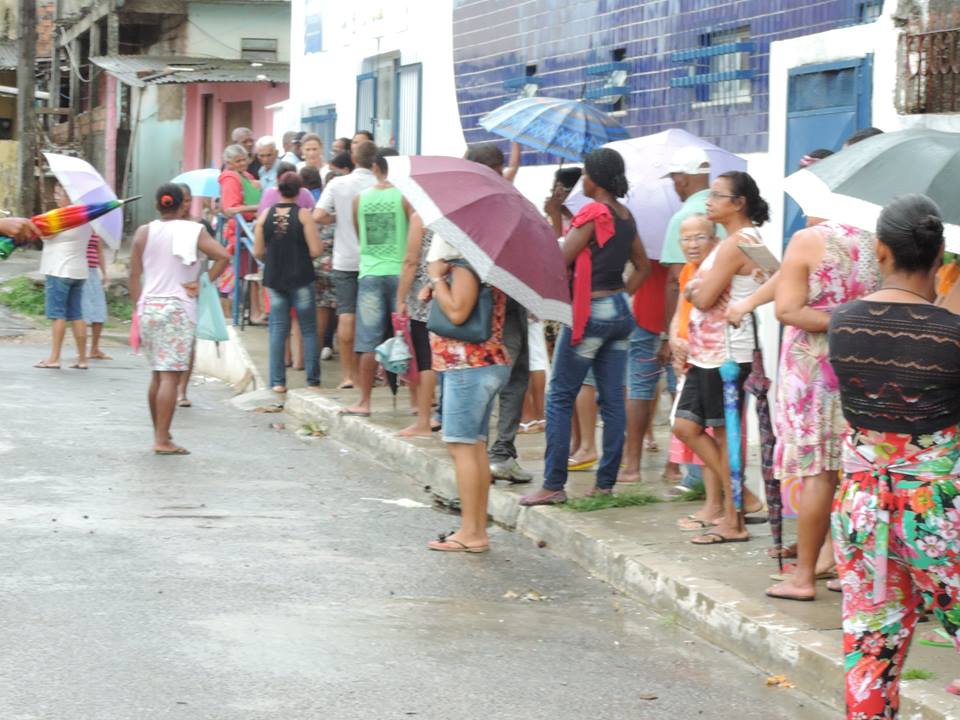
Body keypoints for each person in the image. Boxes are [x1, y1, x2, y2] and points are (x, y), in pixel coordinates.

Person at [828, 194, 960, 715]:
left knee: (870, 648)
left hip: (861, 506)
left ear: (879, 250)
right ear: (940, 255)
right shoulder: (952, 335)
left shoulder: (842, 322)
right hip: (937, 508)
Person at [752, 217, 878, 601]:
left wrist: (839, 321)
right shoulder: (880, 240)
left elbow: (788, 310)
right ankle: (849, 566)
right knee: (856, 468)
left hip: (814, 368)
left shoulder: (808, 239)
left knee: (818, 474)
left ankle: (803, 576)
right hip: (863, 361)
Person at [521, 148, 649, 506]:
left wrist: (550, 218)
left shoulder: (593, 211)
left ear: (595, 178)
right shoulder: (625, 215)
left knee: (560, 396)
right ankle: (605, 483)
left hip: (591, 311)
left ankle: (553, 484)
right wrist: (620, 298)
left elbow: (559, 258)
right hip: (620, 310)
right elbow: (642, 266)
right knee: (612, 400)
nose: (583, 181)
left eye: (586, 175)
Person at [673, 171, 769, 544]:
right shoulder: (735, 241)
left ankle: (735, 518)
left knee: (724, 433)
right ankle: (738, 498)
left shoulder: (736, 244)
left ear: (738, 203)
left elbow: (705, 296)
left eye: (717, 195)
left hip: (725, 353)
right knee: (688, 426)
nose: (708, 200)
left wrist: (695, 291)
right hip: (709, 353)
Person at [422, 243, 512, 553]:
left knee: (461, 446)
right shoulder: (485, 263)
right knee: (474, 447)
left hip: (467, 365)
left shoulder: (465, 265)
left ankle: (472, 531)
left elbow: (459, 312)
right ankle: (474, 529)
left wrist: (436, 279)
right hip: (484, 363)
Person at [128, 184, 230, 455]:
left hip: (149, 306)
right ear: (182, 205)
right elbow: (223, 255)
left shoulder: (143, 232)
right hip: (178, 308)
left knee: (157, 375)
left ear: (157, 205)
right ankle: (162, 440)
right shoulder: (194, 230)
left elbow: (133, 275)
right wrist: (202, 281)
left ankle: (161, 433)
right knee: (171, 377)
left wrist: (138, 307)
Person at [460, 142, 528, 482]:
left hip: (468, 304)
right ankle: (499, 452)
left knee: (477, 379)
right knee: (511, 377)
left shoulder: (459, 203)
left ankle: (475, 451)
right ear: (498, 169)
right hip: (506, 302)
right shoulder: (510, 203)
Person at [340, 151, 411, 416]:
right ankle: (415, 402)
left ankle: (365, 401)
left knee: (368, 341)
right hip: (400, 273)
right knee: (406, 337)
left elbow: (361, 235)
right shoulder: (405, 198)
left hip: (369, 272)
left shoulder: (360, 199)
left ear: (375, 169)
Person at [314, 140, 378, 390]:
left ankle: (348, 376)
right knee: (374, 320)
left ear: (353, 158)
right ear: (377, 161)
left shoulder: (338, 183)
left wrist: (338, 218)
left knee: (346, 315)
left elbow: (318, 215)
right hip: (375, 261)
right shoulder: (381, 185)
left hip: (344, 259)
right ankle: (371, 376)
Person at [254, 171, 323, 394]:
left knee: (277, 329)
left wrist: (272, 257)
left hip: (275, 277)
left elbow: (258, 251)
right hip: (301, 276)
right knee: (309, 329)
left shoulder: (265, 215)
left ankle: (277, 382)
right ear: (299, 190)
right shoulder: (304, 215)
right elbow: (315, 249)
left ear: (278, 189)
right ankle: (312, 380)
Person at [667, 214, 719, 494]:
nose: (693, 244)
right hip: (687, 360)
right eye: (687, 239)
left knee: (703, 429)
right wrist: (675, 338)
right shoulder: (688, 270)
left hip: (706, 360)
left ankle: (725, 492)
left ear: (715, 240)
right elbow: (679, 313)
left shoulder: (714, 271)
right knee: (686, 425)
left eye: (700, 237)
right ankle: (703, 487)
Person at [35, 183, 92, 370]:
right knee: (77, 314)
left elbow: (45, 235)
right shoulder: (88, 216)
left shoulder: (62, 216)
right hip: (79, 271)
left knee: (58, 314)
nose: (56, 197)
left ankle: (54, 358)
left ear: (69, 195)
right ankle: (82, 359)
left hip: (58, 270)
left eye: (59, 193)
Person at [173, 183, 215, 409]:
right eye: (182, 200)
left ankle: (182, 390)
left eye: (188, 200)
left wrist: (202, 283)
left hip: (192, 290)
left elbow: (216, 256)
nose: (185, 204)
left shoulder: (200, 226)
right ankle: (169, 387)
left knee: (188, 342)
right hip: (168, 290)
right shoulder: (163, 226)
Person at [396, 215, 437, 437]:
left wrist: (401, 298)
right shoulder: (456, 214)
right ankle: (443, 415)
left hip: (424, 296)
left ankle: (423, 421)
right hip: (456, 291)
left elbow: (411, 261)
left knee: (426, 359)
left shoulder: (421, 216)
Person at [218, 143, 264, 322]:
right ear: (229, 162)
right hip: (239, 232)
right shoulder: (230, 178)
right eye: (238, 161)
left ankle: (254, 312)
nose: (242, 163)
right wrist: (257, 207)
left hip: (249, 228)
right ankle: (240, 313)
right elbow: (230, 209)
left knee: (250, 272)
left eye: (244, 159)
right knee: (240, 274)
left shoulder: (246, 176)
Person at [80, 232, 111, 361]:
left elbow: (100, 252)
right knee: (83, 312)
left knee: (99, 309)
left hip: (93, 273)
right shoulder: (77, 228)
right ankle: (81, 351)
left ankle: (94, 348)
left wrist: (104, 273)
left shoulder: (96, 230)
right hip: (79, 272)